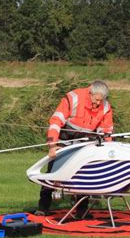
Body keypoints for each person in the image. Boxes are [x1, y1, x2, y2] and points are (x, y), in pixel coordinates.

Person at [36, 80, 114, 217]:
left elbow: (106, 132)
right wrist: (52, 145)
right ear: (90, 92)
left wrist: (107, 152)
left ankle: (81, 211)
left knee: (83, 175)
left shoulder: (106, 107)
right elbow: (55, 122)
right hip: (64, 139)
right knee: (52, 172)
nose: (97, 104)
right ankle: (43, 207)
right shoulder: (73, 98)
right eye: (95, 100)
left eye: (100, 101)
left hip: (85, 143)